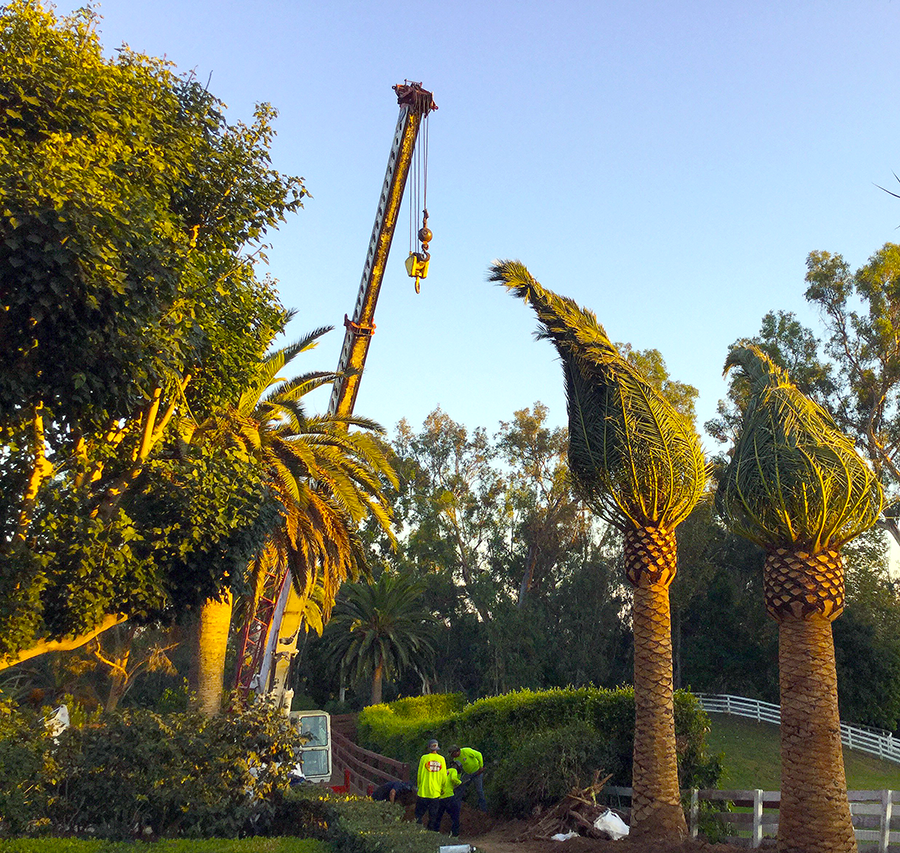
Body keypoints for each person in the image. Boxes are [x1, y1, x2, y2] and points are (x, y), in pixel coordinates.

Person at [415, 738, 447, 828]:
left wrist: (419, 786)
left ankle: (418, 830)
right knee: (433, 815)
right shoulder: (441, 759)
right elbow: (444, 776)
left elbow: (419, 774)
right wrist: (443, 788)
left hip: (423, 792)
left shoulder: (424, 758)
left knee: (418, 814)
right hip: (435, 792)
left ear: (429, 748)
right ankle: (431, 832)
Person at [449, 745, 487, 811]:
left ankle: (483, 809)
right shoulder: (455, 759)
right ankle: (457, 806)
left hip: (477, 772)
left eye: (452, 754)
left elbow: (478, 755)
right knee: (460, 788)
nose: (452, 756)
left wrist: (481, 767)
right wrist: (457, 781)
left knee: (479, 790)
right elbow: (458, 771)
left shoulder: (466, 751)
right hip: (468, 774)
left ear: (456, 751)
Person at [433, 759, 463, 837]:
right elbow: (453, 779)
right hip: (449, 797)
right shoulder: (453, 771)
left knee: (438, 817)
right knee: (455, 816)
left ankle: (435, 833)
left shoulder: (444, 772)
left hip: (440, 798)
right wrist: (460, 783)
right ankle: (455, 835)